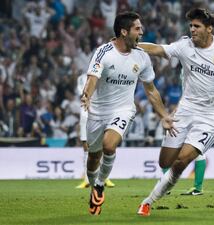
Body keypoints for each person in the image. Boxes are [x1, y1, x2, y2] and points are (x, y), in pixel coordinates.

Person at [136, 8, 214, 216]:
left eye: (197, 26)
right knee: (165, 162)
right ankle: (166, 181)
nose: (192, 30)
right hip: (186, 110)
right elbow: (158, 49)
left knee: (181, 161)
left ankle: (148, 202)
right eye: (191, 26)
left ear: (209, 29)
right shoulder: (184, 45)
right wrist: (132, 45)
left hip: (210, 117)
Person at [81, 11, 175, 215]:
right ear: (124, 32)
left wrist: (164, 116)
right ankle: (95, 185)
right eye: (137, 29)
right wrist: (87, 95)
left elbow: (151, 90)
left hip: (123, 109)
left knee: (109, 144)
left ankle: (99, 185)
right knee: (93, 157)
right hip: (97, 112)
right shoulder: (104, 51)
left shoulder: (141, 56)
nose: (142, 32)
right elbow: (93, 78)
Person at [75, 73, 115, 189]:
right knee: (86, 146)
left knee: (103, 145)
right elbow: (83, 93)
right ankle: (86, 179)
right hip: (85, 112)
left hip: (102, 112)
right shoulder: (81, 77)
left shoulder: (106, 75)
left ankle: (104, 177)